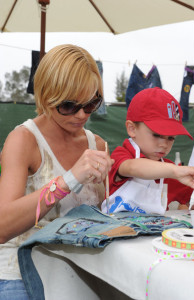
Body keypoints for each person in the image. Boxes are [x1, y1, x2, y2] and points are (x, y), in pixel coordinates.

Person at [0, 44, 113, 299]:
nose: (83, 114)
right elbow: (3, 225)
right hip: (20, 269)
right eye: (70, 105)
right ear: (46, 95)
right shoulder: (24, 140)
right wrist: (70, 179)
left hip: (81, 271)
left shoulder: (98, 145)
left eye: (92, 103)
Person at [101, 87, 194, 215]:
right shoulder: (122, 155)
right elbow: (132, 167)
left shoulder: (170, 170)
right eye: (157, 135)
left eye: (171, 138)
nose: (164, 144)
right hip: (116, 231)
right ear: (132, 129)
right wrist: (174, 170)